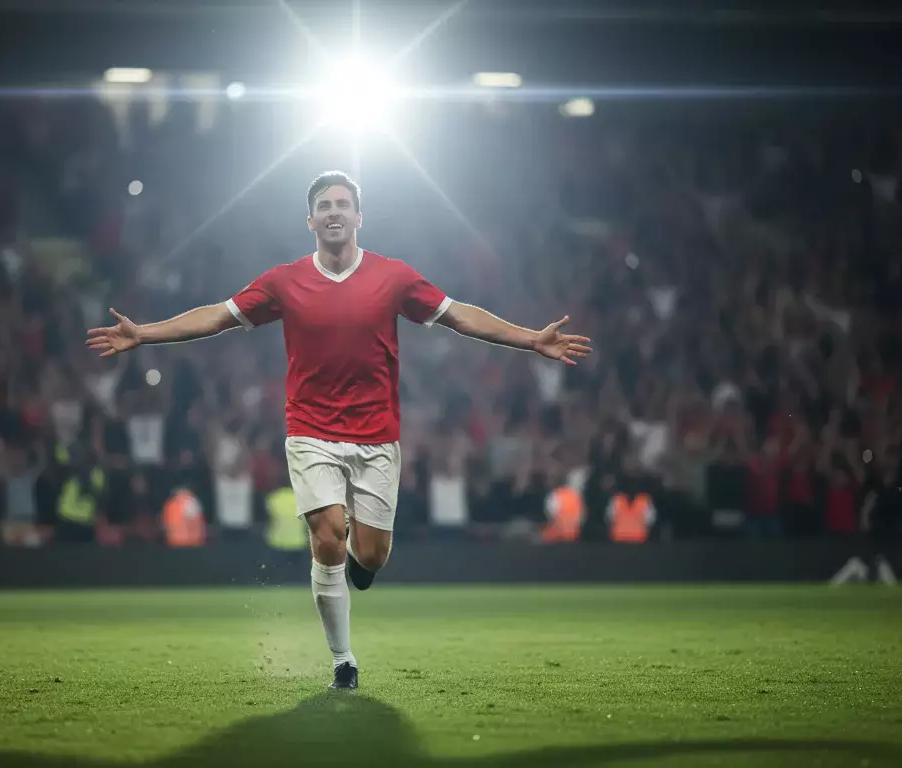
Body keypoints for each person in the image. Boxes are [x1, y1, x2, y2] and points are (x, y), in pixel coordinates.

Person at [86, 171, 592, 690]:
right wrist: (143, 334)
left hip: (377, 437)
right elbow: (217, 316)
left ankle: (359, 565)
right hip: (310, 430)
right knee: (326, 532)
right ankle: (342, 661)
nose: (334, 211)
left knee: (371, 554)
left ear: (357, 217)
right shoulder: (282, 281)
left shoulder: (393, 277)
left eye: (343, 204)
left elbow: (457, 316)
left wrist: (531, 339)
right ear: (310, 220)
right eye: (324, 204)